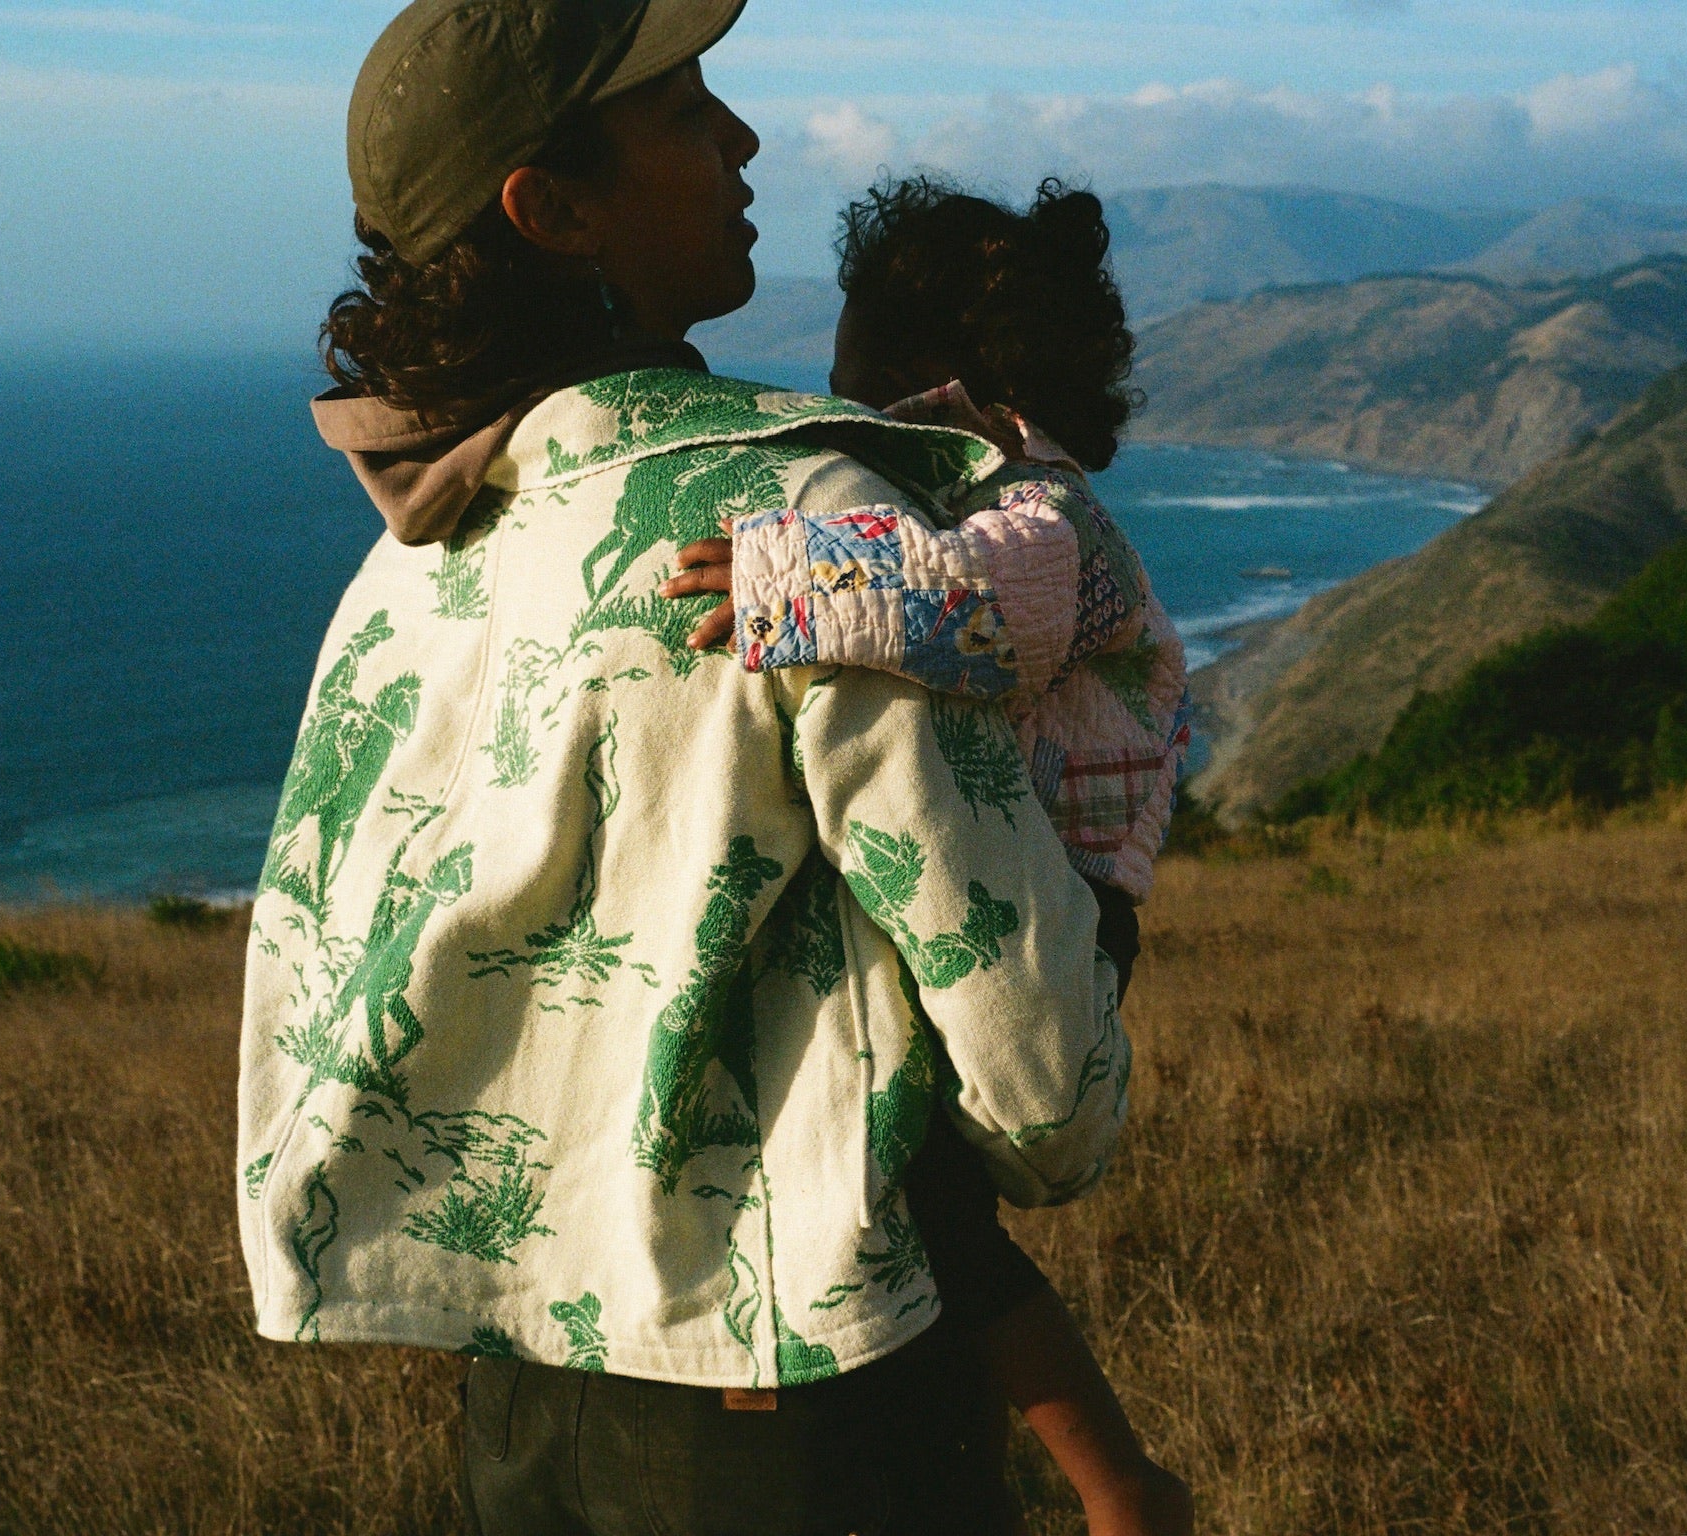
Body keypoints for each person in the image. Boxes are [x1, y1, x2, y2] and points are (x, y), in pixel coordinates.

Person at [236, 0, 1148, 1531]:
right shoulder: (812, 530)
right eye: (683, 112)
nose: (744, 141)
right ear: (556, 207)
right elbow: (1039, 1075)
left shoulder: (406, 567)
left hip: (522, 1394)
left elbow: (320, 961)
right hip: (805, 1399)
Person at [660, 175, 1193, 1534]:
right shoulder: (1009, 504)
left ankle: (1117, 1484)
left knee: (927, 1197)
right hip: (1027, 877)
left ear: (920, 374)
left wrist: (782, 580)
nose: (828, 384)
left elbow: (977, 610)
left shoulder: (1044, 524)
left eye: (849, 356)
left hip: (1067, 898)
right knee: (905, 1179)